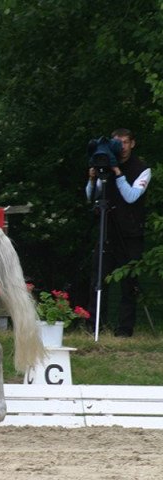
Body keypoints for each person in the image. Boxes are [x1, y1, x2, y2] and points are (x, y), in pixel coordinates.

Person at [85, 128, 152, 337]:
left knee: (128, 283)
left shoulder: (142, 169)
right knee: (98, 279)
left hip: (130, 235)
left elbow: (131, 196)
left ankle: (124, 330)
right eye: (117, 142)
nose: (121, 147)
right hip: (107, 233)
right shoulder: (103, 164)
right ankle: (95, 325)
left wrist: (117, 173)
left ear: (132, 143)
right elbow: (90, 196)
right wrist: (93, 178)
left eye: (124, 142)